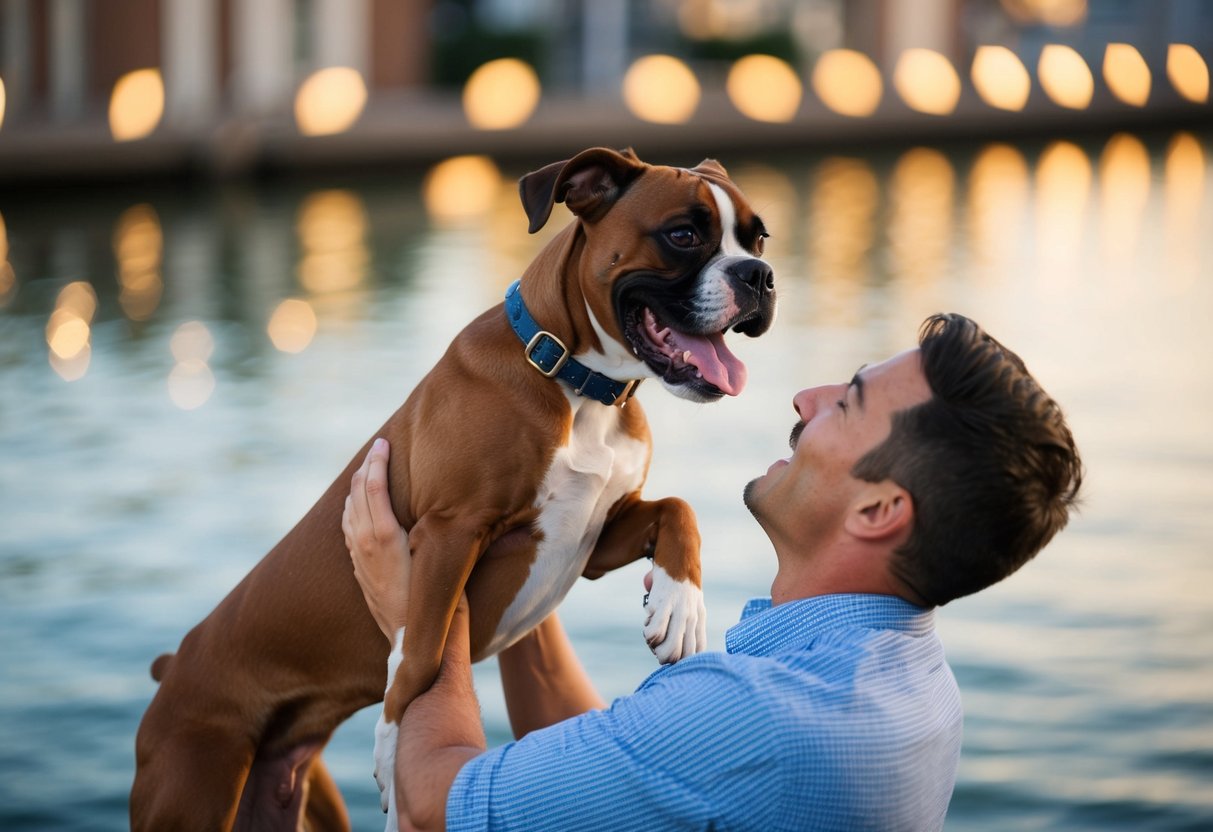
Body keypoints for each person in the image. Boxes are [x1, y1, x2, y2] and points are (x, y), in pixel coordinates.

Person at [342, 313, 1082, 831]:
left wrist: (419, 610)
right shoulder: (913, 688)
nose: (805, 397)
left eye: (847, 403)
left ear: (878, 510)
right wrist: (523, 546)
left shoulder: (759, 717)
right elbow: (617, 775)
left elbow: (432, 810)